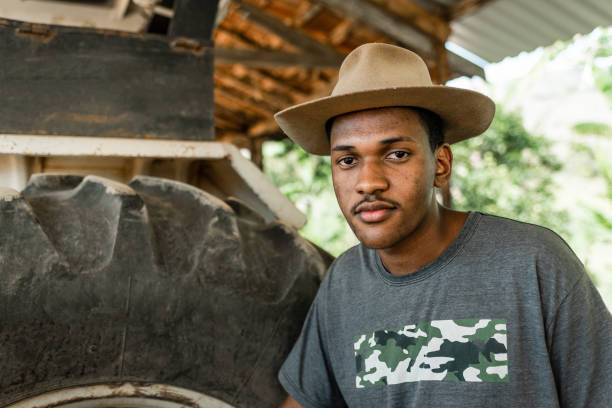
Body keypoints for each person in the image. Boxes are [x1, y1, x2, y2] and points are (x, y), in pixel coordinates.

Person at [273, 43, 612, 408]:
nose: (368, 181)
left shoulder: (532, 263)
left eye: (397, 154)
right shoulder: (344, 285)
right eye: (348, 159)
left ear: (441, 164)